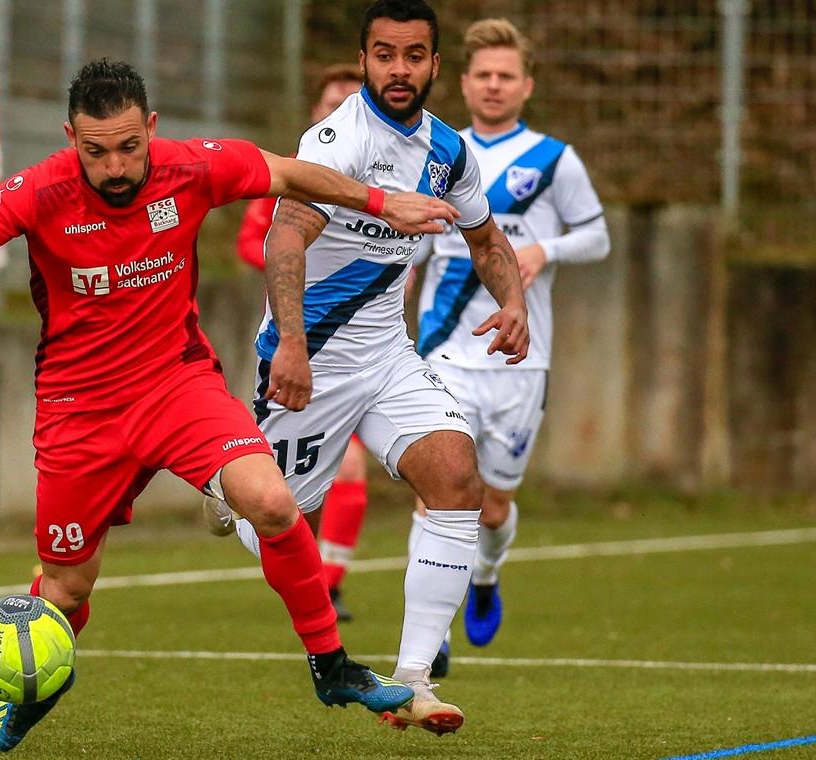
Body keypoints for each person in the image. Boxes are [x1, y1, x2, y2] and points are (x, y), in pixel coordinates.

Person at [0, 58, 456, 753]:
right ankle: (34, 689)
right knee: (68, 591)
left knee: (275, 503)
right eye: (96, 150)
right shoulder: (40, 191)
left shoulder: (190, 168)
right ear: (71, 136)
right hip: (81, 412)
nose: (114, 166)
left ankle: (332, 666)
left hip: (176, 385)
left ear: (151, 129)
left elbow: (287, 171)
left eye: (130, 146)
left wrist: (382, 201)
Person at [210, 0, 530, 735]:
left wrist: (513, 304)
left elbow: (485, 240)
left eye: (413, 55)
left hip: (387, 358)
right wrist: (291, 345)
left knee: (457, 477)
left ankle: (415, 678)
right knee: (284, 526)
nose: (398, 69)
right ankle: (229, 484)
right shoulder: (337, 140)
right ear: (364, 60)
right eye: (384, 54)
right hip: (308, 363)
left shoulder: (448, 150)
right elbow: (284, 241)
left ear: (434, 65)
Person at [412, 18, 610, 674]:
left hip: (521, 359)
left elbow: (598, 236)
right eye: (483, 75)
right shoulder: (435, 152)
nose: (494, 85)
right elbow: (409, 242)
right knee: (440, 487)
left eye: (506, 76)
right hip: (443, 349)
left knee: (492, 506)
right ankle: (430, 633)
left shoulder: (556, 160)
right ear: (463, 82)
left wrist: (542, 248)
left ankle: (487, 574)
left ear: (526, 84)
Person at [207, 64, 369, 624]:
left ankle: (330, 584)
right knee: (288, 488)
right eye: (331, 102)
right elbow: (255, 241)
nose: (341, 109)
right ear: (315, 114)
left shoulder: (392, 181)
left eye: (352, 99)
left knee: (349, 471)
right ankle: (229, 482)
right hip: (297, 343)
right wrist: (297, 267)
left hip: (369, 353)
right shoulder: (293, 179)